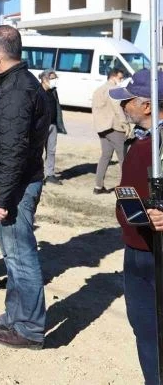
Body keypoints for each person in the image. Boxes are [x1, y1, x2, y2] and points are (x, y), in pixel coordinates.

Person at [0, 25, 49, 349]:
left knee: (21, 256)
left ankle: (29, 329)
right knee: (11, 255)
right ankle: (13, 316)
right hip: (8, 182)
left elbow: (14, 148)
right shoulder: (8, 82)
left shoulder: (18, 91)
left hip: (15, 187)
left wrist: (2, 197)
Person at [108, 68, 163, 385]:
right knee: (145, 331)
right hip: (136, 250)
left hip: (155, 253)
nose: (122, 106)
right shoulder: (140, 143)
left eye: (127, 100)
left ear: (145, 105)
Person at [92, 67, 129, 194]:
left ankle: (98, 186)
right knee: (124, 158)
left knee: (105, 156)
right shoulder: (114, 90)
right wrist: (125, 124)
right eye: (120, 78)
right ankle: (125, 187)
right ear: (113, 77)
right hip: (114, 128)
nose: (121, 80)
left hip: (102, 128)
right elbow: (118, 109)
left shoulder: (98, 90)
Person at [39, 69, 66, 185]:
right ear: (45, 80)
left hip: (53, 125)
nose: (54, 81)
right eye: (52, 78)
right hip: (40, 127)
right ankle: (37, 175)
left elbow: (57, 107)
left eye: (55, 78)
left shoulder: (53, 91)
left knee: (51, 151)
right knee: (38, 151)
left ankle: (50, 174)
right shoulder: (37, 91)